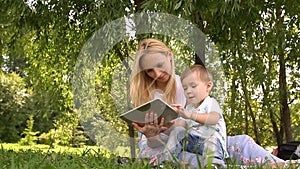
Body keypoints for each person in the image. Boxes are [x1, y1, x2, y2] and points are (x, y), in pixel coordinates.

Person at [129, 38, 285, 168]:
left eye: (160, 65)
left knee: (241, 142)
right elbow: (152, 145)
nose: (157, 74)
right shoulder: (146, 95)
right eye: (150, 70)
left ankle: (285, 164)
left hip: (196, 141)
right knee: (182, 156)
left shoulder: (187, 85)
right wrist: (151, 135)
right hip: (163, 149)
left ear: (169, 56)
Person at [171, 64, 227, 167]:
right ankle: (171, 161)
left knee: (211, 141)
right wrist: (172, 121)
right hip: (194, 142)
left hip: (211, 143)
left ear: (208, 86)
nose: (188, 91)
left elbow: (213, 119)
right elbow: (184, 124)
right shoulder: (189, 108)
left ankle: (214, 164)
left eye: (193, 86)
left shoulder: (211, 102)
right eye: (185, 88)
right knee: (177, 133)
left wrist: (190, 115)